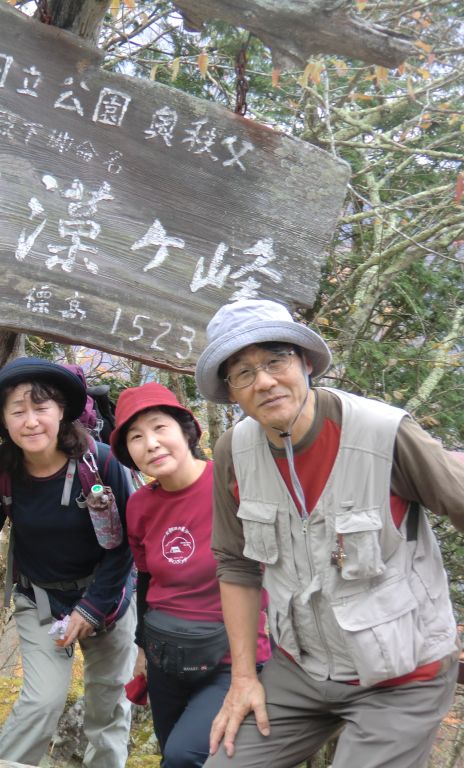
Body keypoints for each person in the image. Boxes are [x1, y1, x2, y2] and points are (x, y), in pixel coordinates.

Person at [193, 298, 464, 768]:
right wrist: (243, 678)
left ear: (304, 362)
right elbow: (236, 565)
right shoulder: (233, 452)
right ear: (231, 392)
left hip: (403, 677)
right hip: (300, 671)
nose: (264, 381)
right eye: (242, 373)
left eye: (276, 360)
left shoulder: (384, 434)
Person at [0, 357, 137, 768]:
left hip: (108, 599)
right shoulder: (2, 470)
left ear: (61, 412)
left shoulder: (102, 463)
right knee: (41, 703)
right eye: (18, 411)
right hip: (40, 601)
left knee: (109, 709)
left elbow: (126, 543)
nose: (31, 421)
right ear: (4, 421)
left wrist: (92, 608)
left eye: (41, 408)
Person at [109, 382, 270, 768]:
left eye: (159, 427)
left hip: (232, 659)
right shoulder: (140, 505)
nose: (150, 443)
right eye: (136, 437)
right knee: (172, 753)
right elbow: (147, 580)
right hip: (167, 658)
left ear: (187, 431)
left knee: (185, 757)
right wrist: (142, 652)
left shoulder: (232, 485)